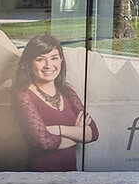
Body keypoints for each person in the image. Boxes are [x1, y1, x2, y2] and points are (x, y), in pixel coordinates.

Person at [11, 34, 98, 172]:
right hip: (40, 177)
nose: (48, 65)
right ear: (29, 63)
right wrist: (78, 135)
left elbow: (93, 133)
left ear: (61, 60)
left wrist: (58, 129)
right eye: (40, 59)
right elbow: (45, 142)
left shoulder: (67, 92)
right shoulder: (23, 95)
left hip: (71, 176)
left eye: (54, 58)